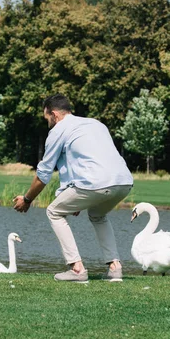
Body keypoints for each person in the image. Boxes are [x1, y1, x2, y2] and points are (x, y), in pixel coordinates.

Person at [13, 94, 133, 283]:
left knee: (53, 211)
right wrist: (72, 199)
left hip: (94, 184)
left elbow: (43, 174)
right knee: (98, 215)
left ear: (54, 115)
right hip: (124, 182)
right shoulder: (96, 124)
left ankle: (77, 269)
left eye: (47, 119)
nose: (48, 124)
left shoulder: (58, 130)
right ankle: (115, 268)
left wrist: (27, 200)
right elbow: (80, 164)